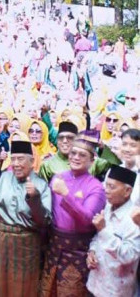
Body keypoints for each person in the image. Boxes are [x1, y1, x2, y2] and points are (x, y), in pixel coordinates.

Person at [39, 136, 106, 296]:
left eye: (82, 155)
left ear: (92, 160)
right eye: (73, 153)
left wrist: (66, 194)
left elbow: (88, 220)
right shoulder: (58, 178)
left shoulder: (95, 186)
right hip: (54, 246)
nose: (76, 157)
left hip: (77, 251)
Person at [0, 140, 52, 297]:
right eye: (13, 159)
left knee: (23, 288)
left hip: (26, 243)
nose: (16, 164)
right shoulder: (4, 177)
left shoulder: (40, 185)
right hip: (0, 240)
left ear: (32, 161)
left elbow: (45, 221)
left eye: (20, 159)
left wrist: (34, 198)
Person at [86, 165, 140, 297]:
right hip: (95, 284)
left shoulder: (134, 219)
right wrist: (92, 251)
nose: (106, 190)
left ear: (127, 191)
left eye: (112, 187)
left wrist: (103, 230)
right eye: (106, 185)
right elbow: (98, 237)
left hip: (116, 291)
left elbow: (129, 256)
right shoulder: (108, 207)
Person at [38, 121, 108, 181]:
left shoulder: (90, 161)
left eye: (70, 137)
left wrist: (104, 147)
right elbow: (42, 190)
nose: (65, 141)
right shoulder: (47, 165)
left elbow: (112, 166)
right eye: (61, 137)